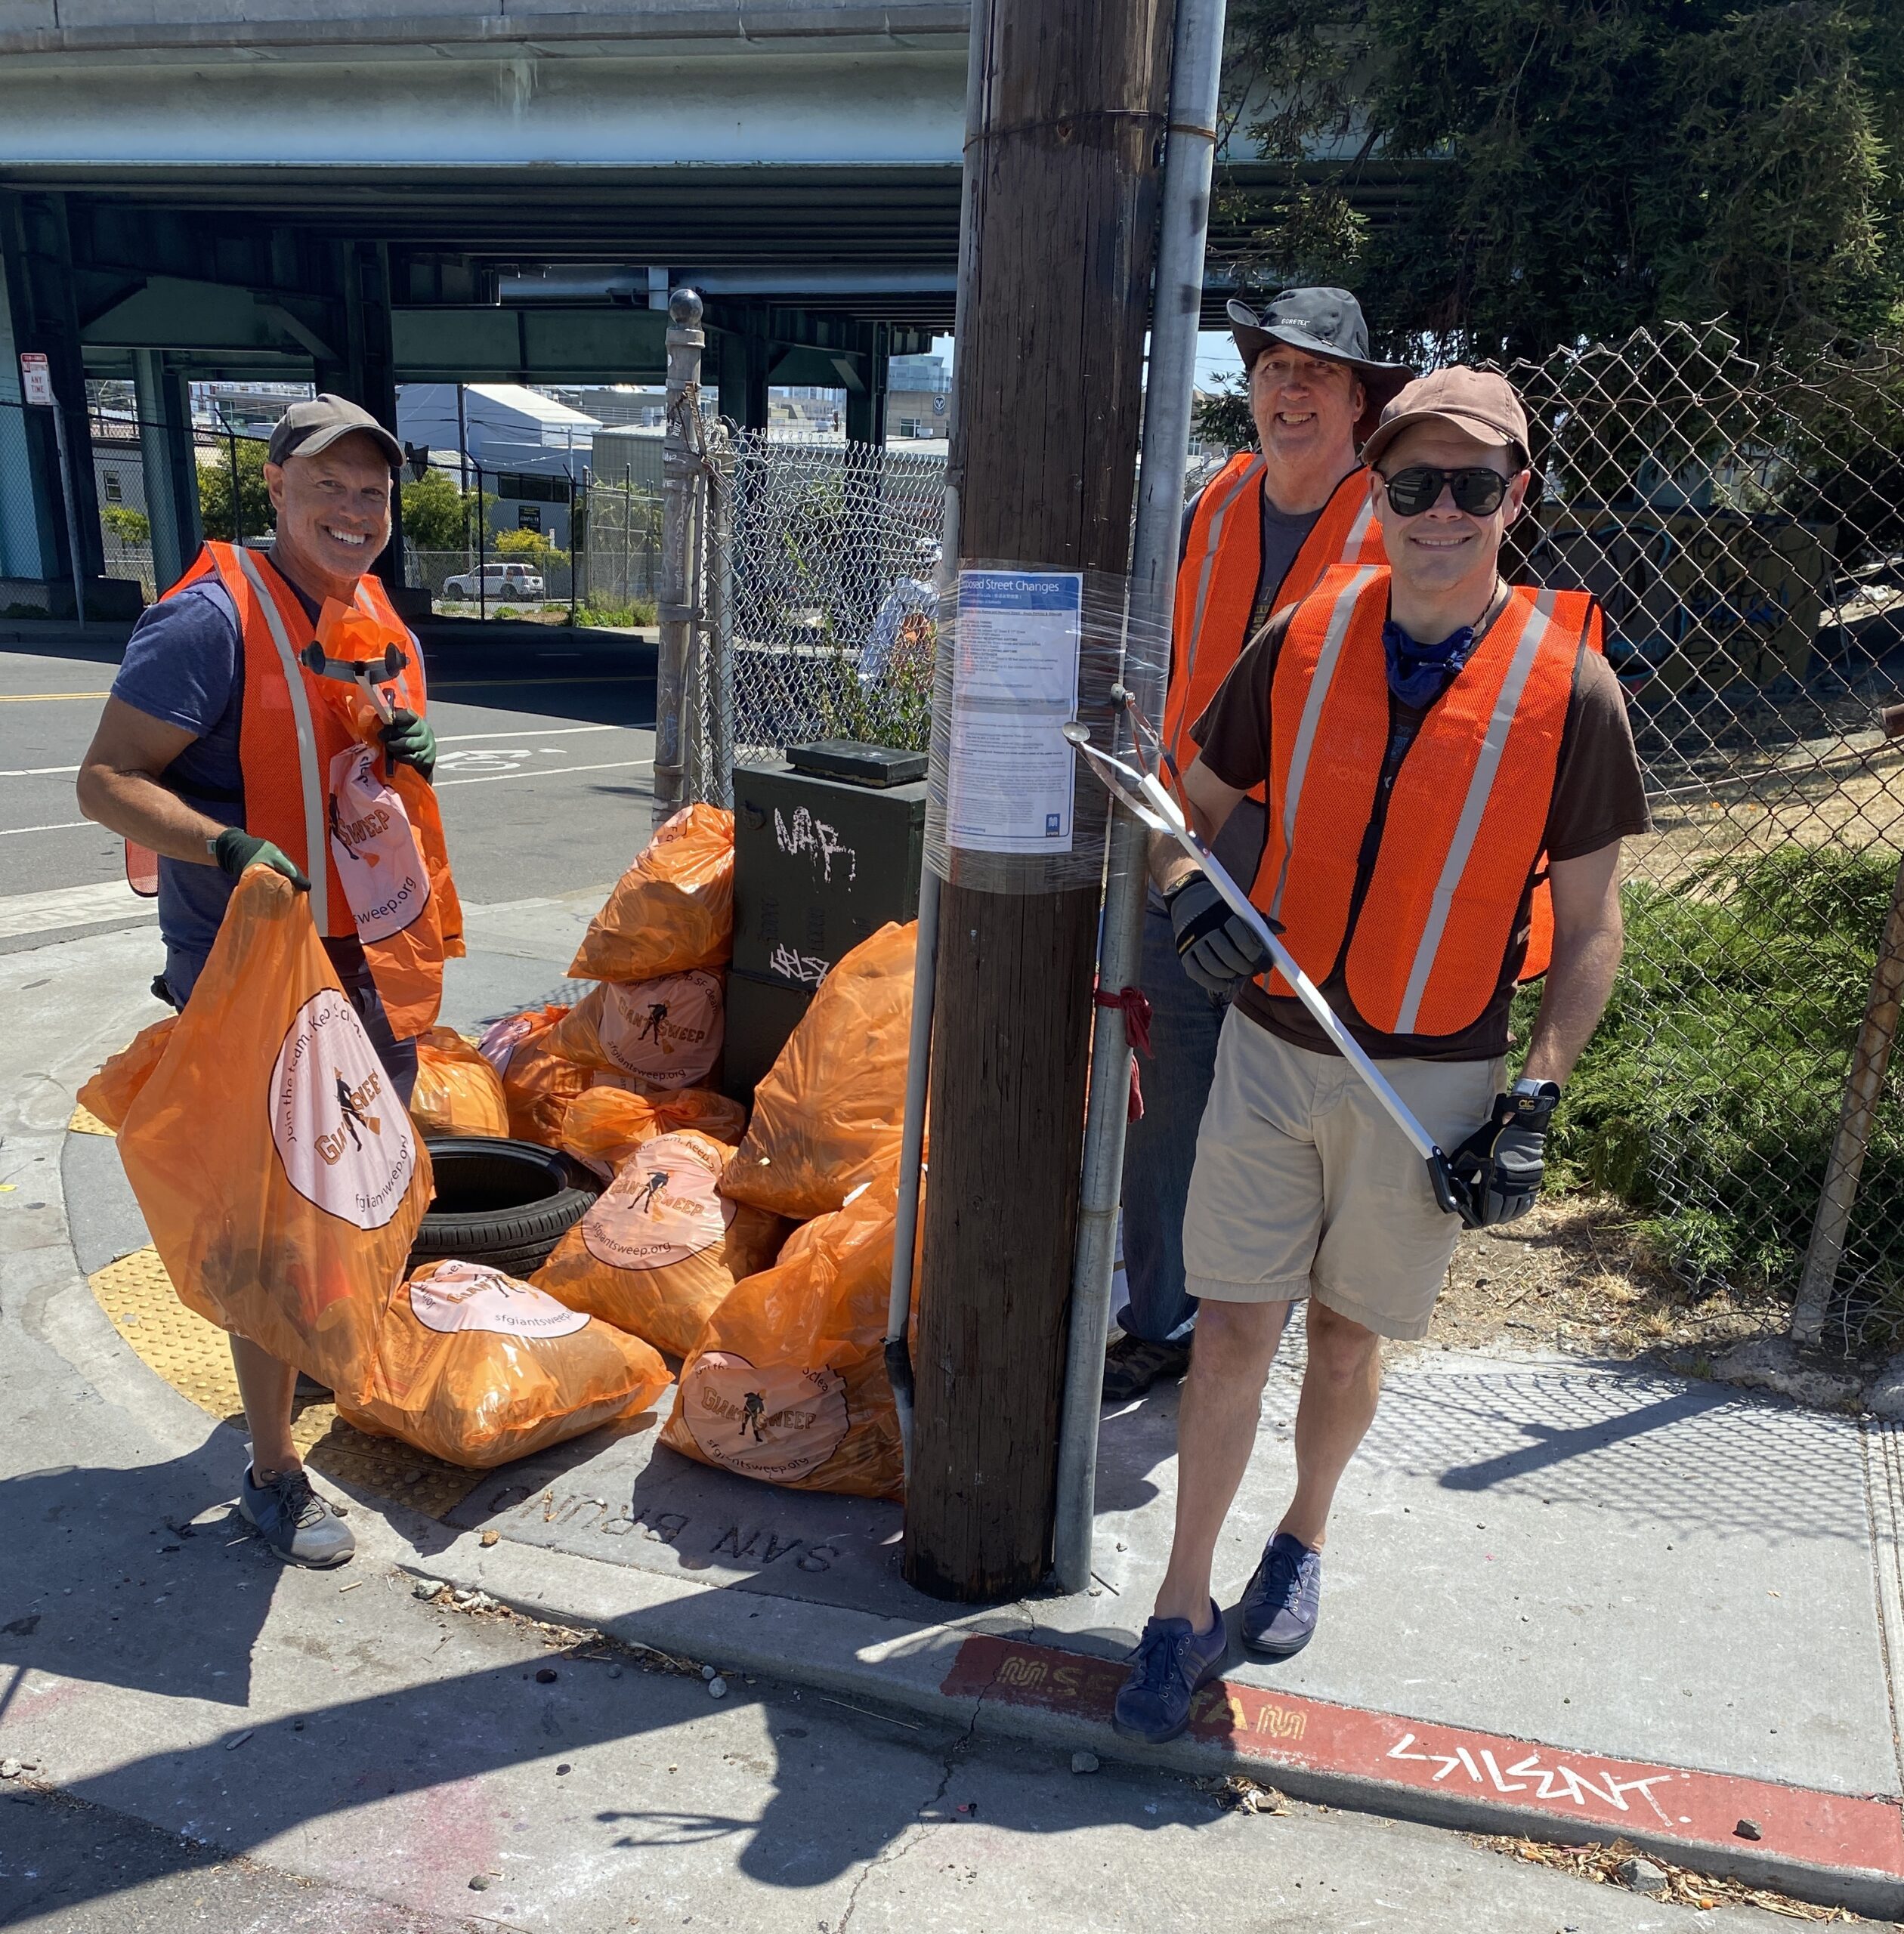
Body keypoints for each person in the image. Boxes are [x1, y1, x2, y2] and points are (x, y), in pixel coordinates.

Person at [1112, 367, 1650, 1743]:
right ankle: (1179, 1606)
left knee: (1346, 1345)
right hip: (1274, 1048)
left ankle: (1303, 1536)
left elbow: (1592, 926)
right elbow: (1185, 807)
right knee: (1233, 1326)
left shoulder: (1572, 691)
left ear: (1516, 499)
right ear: (1381, 492)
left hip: (1433, 1081)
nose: (1442, 511)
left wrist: (1533, 1103)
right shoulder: (1304, 638)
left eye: (1475, 485)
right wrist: (1184, 892)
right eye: (1414, 484)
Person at [76, 394, 443, 1571]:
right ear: (274, 486)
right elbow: (106, 781)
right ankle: (273, 1476)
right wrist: (224, 847)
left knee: (362, 1186)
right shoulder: (207, 620)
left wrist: (402, 753)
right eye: (328, 486)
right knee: (278, 1216)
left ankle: (310, 1376)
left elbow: (342, 753)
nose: (354, 511)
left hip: (360, 956)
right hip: (254, 966)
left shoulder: (369, 612)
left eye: (372, 492)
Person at [1105, 288, 1412, 1402]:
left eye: (1318, 373)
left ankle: (1279, 1310)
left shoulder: (1399, 516)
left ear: (1358, 400)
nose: (1290, 390)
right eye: (1275, 367)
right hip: (1193, 830)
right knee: (1170, 1079)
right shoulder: (1217, 499)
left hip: (1321, 856)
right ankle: (1168, 1319)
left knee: (1303, 1097)